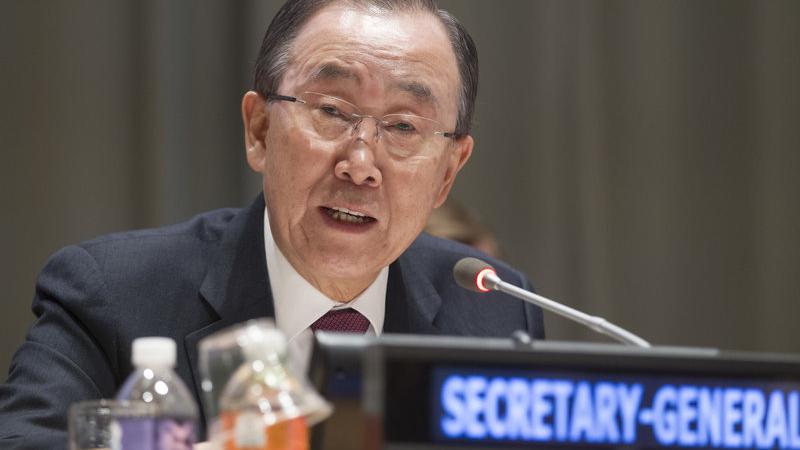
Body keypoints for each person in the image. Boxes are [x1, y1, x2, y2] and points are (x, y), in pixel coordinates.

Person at [0, 0, 544, 447]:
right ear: (259, 130)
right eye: (332, 111)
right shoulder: (112, 295)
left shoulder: (493, 312)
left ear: (447, 172)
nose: (360, 164)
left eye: (403, 126)